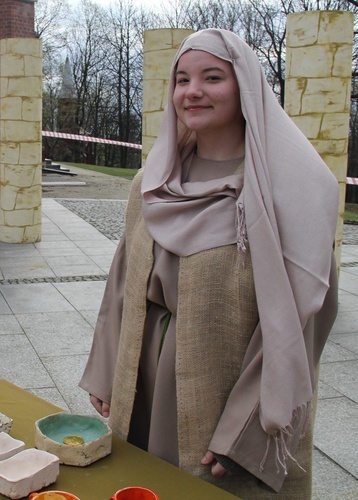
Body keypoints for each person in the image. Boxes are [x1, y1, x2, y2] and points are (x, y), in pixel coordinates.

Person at [79, 29, 339, 497]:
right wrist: (106, 369)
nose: (192, 91)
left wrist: (246, 430)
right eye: (181, 79)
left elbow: (302, 321)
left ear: (245, 86)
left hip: (222, 388)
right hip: (146, 382)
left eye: (212, 77)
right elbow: (123, 281)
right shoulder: (152, 180)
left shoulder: (289, 189)